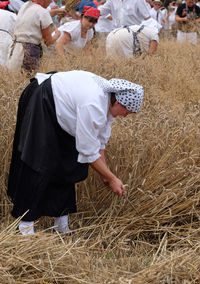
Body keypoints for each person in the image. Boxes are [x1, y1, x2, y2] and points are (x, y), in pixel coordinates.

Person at [7, 70, 144, 235]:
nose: (125, 116)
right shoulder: (93, 103)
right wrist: (111, 178)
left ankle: (61, 225)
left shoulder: (108, 103)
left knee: (68, 164)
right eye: (127, 112)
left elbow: (98, 143)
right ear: (119, 103)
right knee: (38, 163)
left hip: (63, 111)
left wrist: (105, 175)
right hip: (43, 101)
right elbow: (87, 150)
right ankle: (25, 227)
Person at [6, 0, 60, 73]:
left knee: (14, 79)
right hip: (29, 52)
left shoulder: (25, 6)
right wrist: (57, 35)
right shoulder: (43, 12)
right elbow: (48, 42)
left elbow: (36, 16)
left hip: (14, 50)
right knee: (28, 81)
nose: (51, 1)